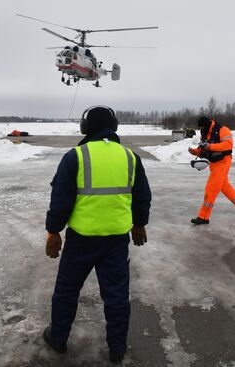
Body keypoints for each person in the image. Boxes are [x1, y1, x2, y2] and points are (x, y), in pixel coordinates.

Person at [43, 106, 151, 364]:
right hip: (116, 240)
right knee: (116, 296)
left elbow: (60, 200)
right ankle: (116, 349)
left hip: (81, 240)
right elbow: (142, 197)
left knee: (67, 292)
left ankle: (58, 338)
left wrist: (53, 231)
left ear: (85, 127)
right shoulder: (130, 157)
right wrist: (139, 224)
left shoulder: (75, 157)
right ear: (113, 126)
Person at [188, 116, 235, 225]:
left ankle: (203, 217)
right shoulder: (204, 132)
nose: (202, 128)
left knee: (211, 189)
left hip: (223, 162)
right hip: (214, 163)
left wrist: (211, 147)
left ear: (208, 124)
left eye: (203, 126)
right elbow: (203, 148)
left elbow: (228, 145)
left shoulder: (223, 130)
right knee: (225, 187)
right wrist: (195, 152)